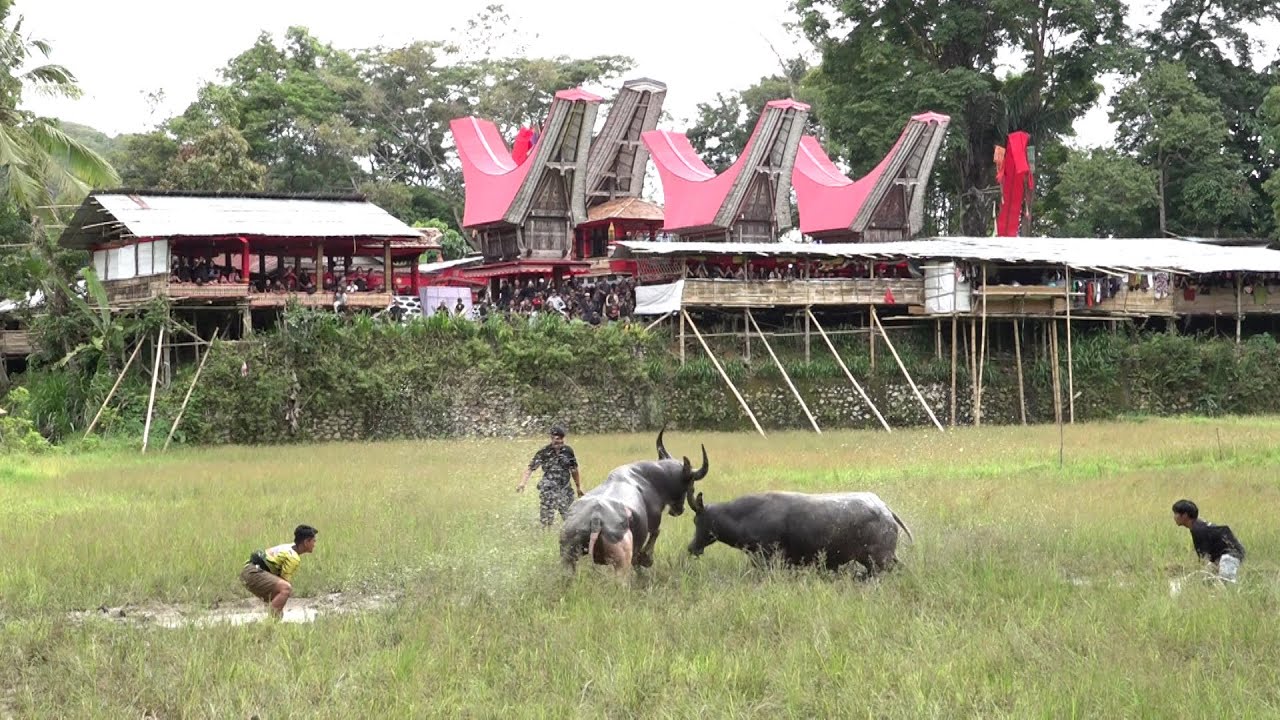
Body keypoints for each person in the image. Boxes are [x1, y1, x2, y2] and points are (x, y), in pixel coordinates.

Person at [240, 524, 319, 618]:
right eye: (313, 541)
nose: (314, 544)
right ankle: (271, 623)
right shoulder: (293, 557)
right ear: (306, 542)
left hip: (249, 570)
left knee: (278, 603)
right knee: (286, 589)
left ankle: (272, 622)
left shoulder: (289, 547)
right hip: (254, 573)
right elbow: (285, 582)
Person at [516, 426, 583, 527]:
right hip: (548, 489)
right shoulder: (544, 452)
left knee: (570, 518)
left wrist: (578, 487)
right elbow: (530, 468)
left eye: (561, 439)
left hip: (565, 488)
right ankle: (546, 535)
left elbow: (574, 470)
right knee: (546, 519)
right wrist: (522, 483)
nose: (559, 442)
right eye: (557, 440)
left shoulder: (568, 451)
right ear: (551, 438)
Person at [1172, 499, 1245, 583]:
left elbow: (1204, 558)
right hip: (1226, 554)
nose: (1174, 517)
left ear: (1185, 515)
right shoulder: (1198, 525)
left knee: (1225, 583)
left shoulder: (1198, 530)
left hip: (1229, 555)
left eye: (1176, 514)